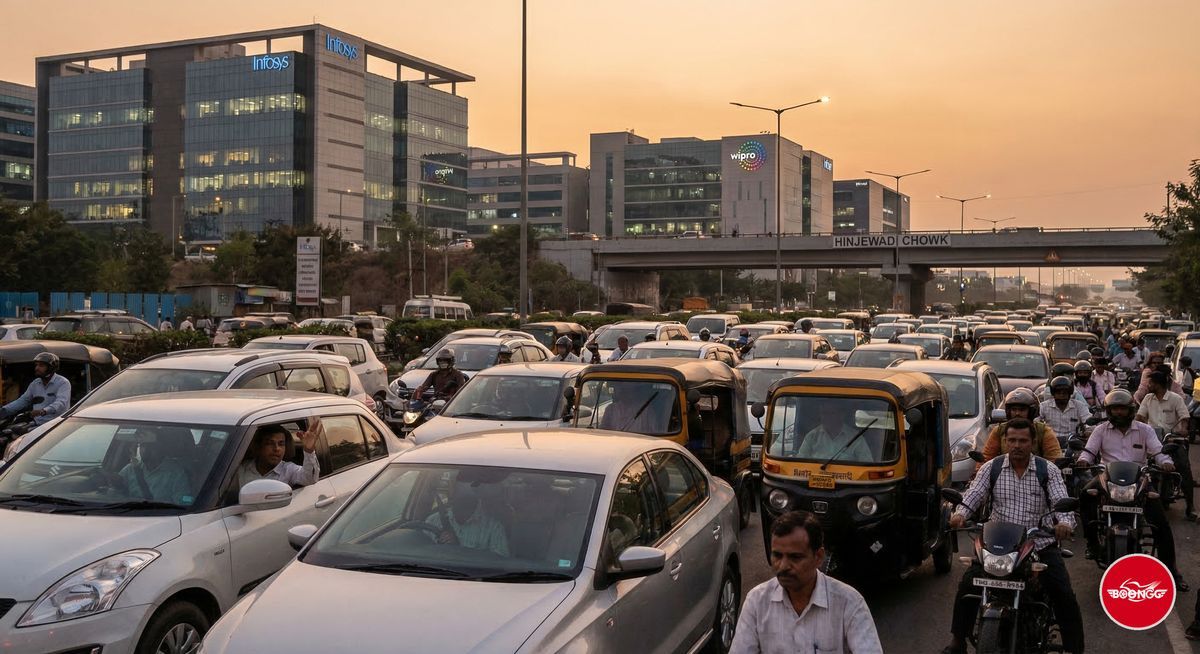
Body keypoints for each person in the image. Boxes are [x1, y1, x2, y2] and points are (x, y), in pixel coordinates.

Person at [942, 419, 1083, 654]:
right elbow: (972, 496)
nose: (1017, 445)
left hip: (1039, 543)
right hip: (999, 544)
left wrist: (1065, 524)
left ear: (1033, 443)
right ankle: (957, 641)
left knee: (1063, 592)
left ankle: (1074, 648)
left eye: (1023, 440)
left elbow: (1062, 503)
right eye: (1012, 440)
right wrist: (959, 515)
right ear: (1005, 442)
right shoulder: (992, 467)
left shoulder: (1047, 470)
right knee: (968, 585)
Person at [1076, 390, 1185, 588]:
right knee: (1085, 495)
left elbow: (1158, 452)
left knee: (1161, 524)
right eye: (1115, 409)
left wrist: (1166, 462)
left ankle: (1172, 572)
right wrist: (1083, 461)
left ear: (1131, 410)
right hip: (1107, 478)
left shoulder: (1145, 430)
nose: (1119, 412)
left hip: (1140, 479)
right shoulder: (1100, 430)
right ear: (1109, 411)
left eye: (1122, 409)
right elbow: (1089, 452)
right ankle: (1092, 542)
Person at [731, 511, 882, 654]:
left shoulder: (849, 603)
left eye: (795, 557)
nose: (783, 566)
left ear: (818, 557)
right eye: (777, 555)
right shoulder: (757, 601)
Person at [425, 481, 510, 556]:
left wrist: (459, 548)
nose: (461, 503)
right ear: (452, 497)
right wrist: (439, 547)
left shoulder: (493, 527)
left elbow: (500, 561)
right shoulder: (433, 521)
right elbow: (421, 550)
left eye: (466, 498)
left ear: (477, 499)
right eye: (458, 496)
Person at [979, 388, 1061, 462]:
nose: (1017, 413)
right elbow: (986, 459)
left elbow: (1054, 459)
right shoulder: (999, 430)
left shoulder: (1043, 431)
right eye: (1014, 410)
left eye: (1022, 410)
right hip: (1004, 476)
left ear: (1031, 412)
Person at [236, 422, 322, 489]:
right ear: (259, 446)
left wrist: (309, 451)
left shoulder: (288, 469)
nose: (276, 449)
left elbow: (310, 479)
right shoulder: (242, 469)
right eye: (270, 443)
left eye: (281, 444)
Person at [119, 429, 194, 504]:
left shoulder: (176, 473)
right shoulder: (130, 469)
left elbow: (182, 504)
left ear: (161, 447)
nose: (146, 450)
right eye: (143, 445)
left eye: (151, 446)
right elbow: (114, 493)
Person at [0, 352, 71, 426]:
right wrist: (4, 410)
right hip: (37, 424)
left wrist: (43, 411)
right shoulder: (35, 383)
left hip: (57, 425)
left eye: (41, 365)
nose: (36, 368)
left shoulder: (63, 382)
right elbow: (23, 400)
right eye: (36, 365)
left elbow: (61, 403)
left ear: (51, 367)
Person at [796, 403, 874, 462]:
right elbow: (799, 462)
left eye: (831, 413)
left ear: (841, 415)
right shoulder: (812, 436)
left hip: (848, 482)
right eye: (824, 413)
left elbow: (867, 464)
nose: (827, 417)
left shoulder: (856, 438)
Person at [600, 382, 671, 434]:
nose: (625, 392)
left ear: (634, 391)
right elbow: (603, 433)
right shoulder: (611, 409)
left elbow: (654, 433)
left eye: (628, 390)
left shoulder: (646, 410)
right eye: (622, 389)